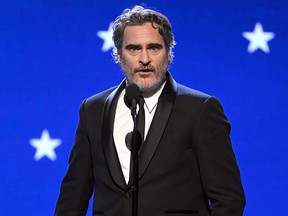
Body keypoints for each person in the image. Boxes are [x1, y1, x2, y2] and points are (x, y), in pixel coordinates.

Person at [55, 5, 245, 216]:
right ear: (118, 55)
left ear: (168, 53)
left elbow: (229, 200)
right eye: (134, 48)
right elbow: (72, 198)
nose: (144, 59)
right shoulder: (93, 109)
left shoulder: (200, 110)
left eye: (154, 48)